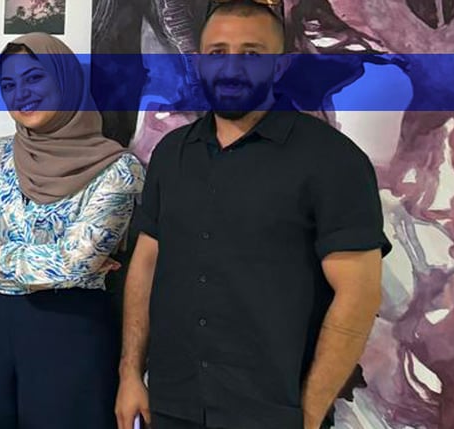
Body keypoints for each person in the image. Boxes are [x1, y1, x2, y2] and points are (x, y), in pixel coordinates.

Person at [114, 2, 387, 428]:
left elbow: (359, 295)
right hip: (172, 404)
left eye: (252, 54)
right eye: (217, 53)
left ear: (281, 67)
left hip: (273, 413)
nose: (231, 69)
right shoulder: (171, 155)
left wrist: (310, 413)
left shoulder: (332, 161)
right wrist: (130, 373)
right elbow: (146, 265)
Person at [0, 32, 144, 429]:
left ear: (65, 79)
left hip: (69, 328)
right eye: (8, 85)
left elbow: (72, 265)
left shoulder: (117, 169)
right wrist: (65, 266)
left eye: (35, 79)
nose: (21, 94)